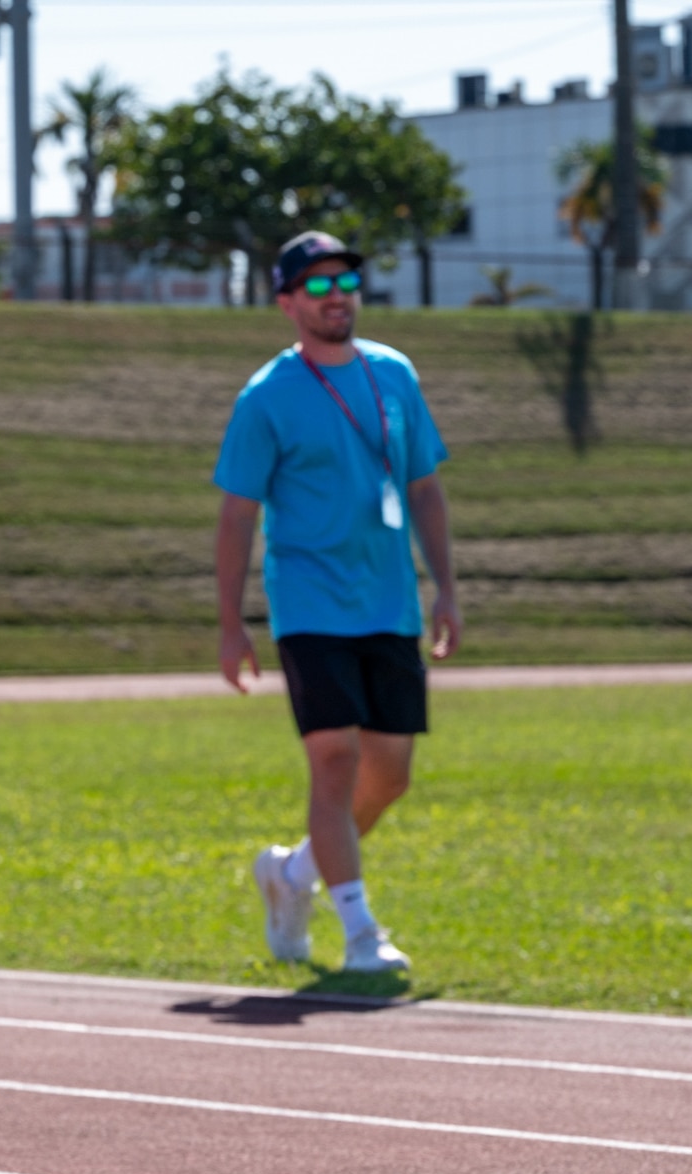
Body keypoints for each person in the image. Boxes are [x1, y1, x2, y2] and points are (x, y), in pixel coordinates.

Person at [213, 231, 461, 975]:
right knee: (335, 760)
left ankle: (292, 874)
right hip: (310, 602)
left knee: (389, 775)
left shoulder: (394, 373)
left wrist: (446, 586)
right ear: (288, 302)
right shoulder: (266, 397)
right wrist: (231, 625)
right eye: (316, 286)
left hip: (390, 601)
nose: (337, 296)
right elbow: (236, 515)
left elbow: (423, 486)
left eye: (346, 280)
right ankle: (360, 931)